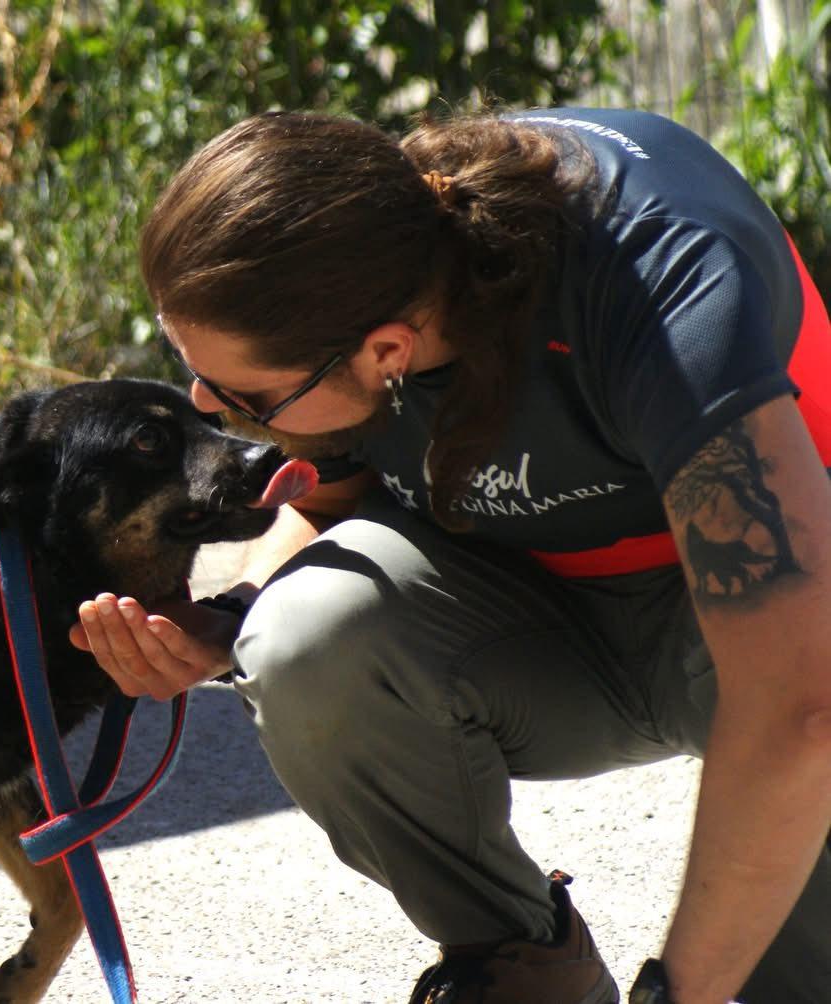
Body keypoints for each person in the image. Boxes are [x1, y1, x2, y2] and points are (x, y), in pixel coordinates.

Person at [68, 106, 831, 1004]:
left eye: (247, 397)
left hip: (761, 633)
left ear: (387, 351)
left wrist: (681, 993)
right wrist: (227, 617)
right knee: (300, 638)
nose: (212, 407)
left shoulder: (658, 280)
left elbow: (800, 703)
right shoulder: (354, 259)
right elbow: (327, 500)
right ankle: (525, 972)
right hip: (551, 621)